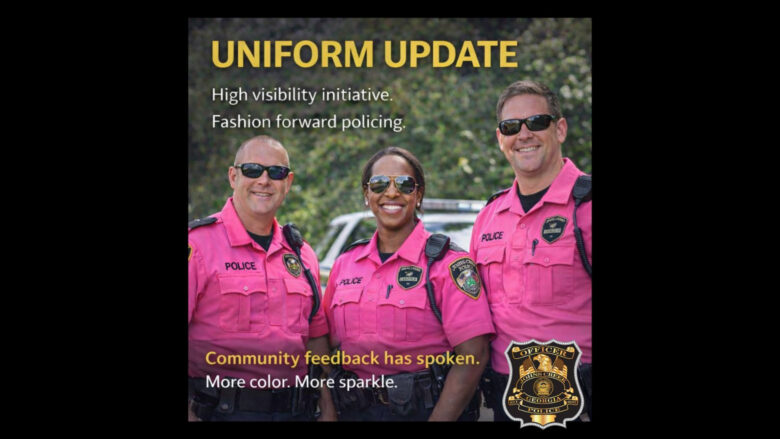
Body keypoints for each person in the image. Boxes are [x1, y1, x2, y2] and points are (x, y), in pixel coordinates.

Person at [323, 147, 495, 421]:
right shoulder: (345, 264)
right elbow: (323, 348)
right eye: (379, 184)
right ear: (367, 195)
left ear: (418, 194)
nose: (391, 193)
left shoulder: (448, 264)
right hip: (353, 410)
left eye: (404, 184)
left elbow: (473, 355)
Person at [188, 135, 336, 421]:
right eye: (253, 170)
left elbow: (316, 340)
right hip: (218, 412)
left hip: (297, 411)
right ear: (233, 176)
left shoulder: (303, 255)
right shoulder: (198, 246)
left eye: (276, 172)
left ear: (288, 182)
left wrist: (328, 409)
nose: (264, 180)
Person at [470, 80, 592, 421]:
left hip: (578, 403)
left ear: (560, 129)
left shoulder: (587, 206)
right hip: (504, 400)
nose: (523, 135)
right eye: (511, 127)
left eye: (536, 122)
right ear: (500, 139)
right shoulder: (488, 216)